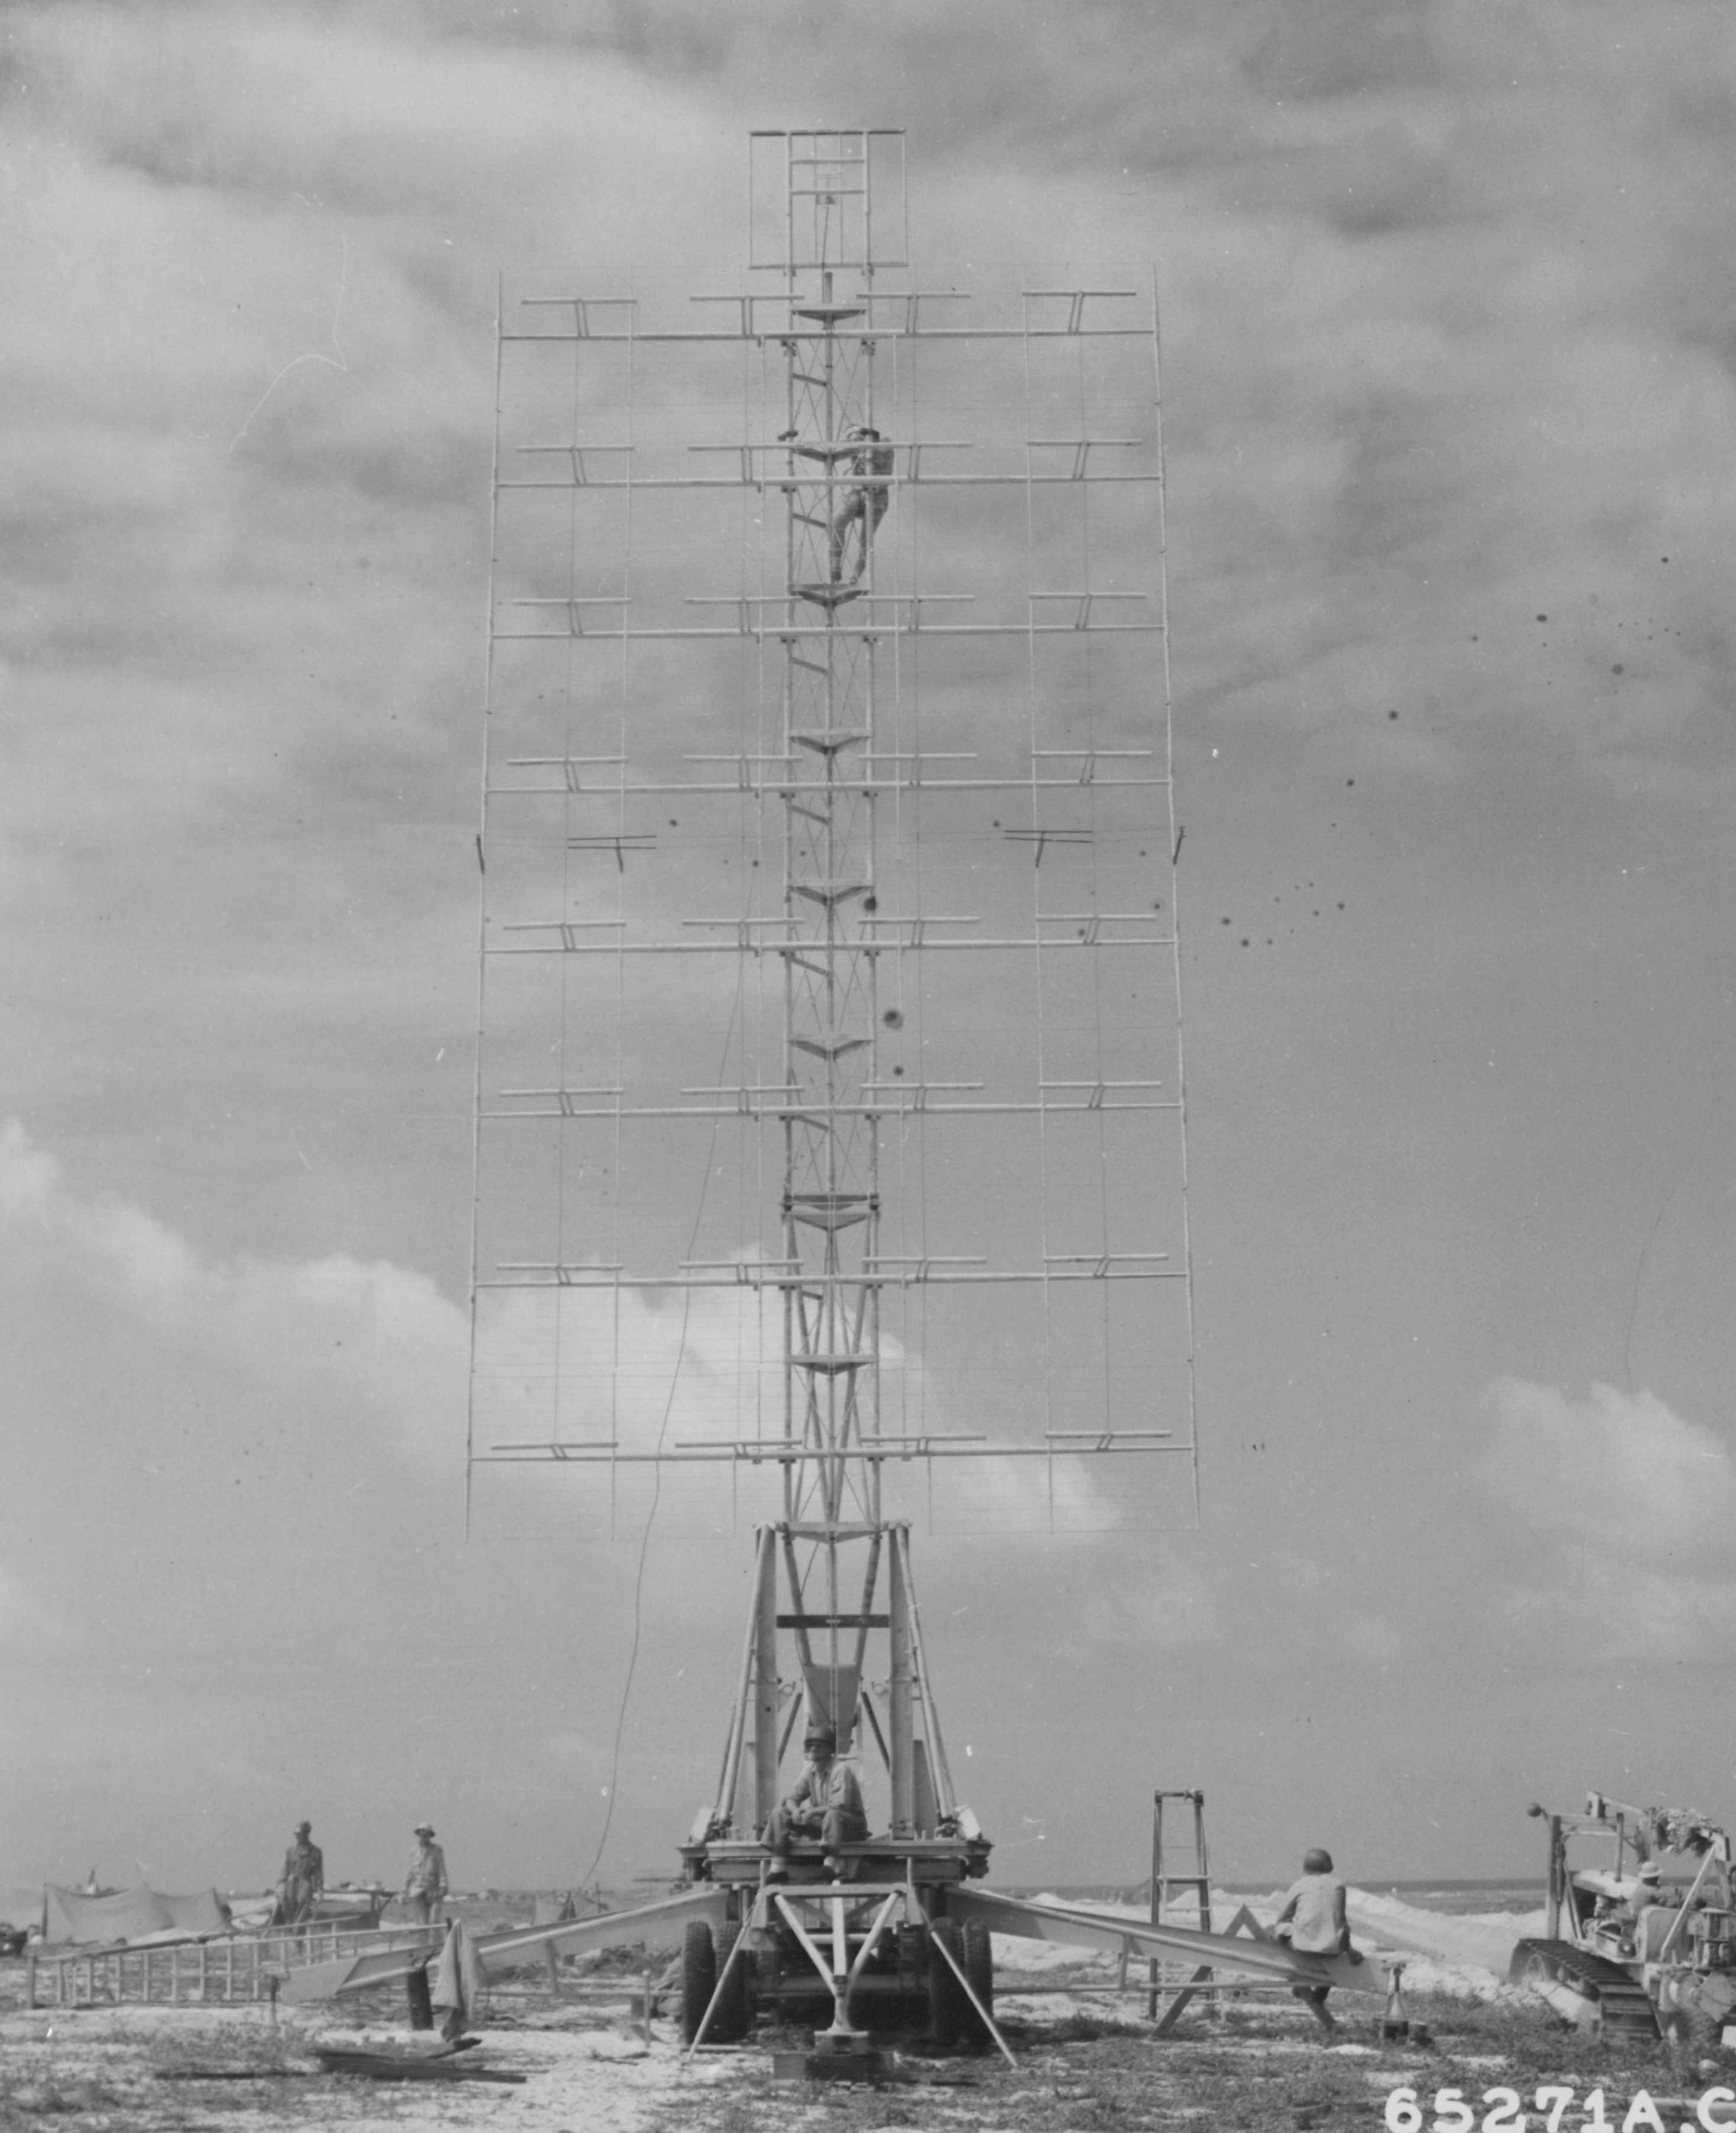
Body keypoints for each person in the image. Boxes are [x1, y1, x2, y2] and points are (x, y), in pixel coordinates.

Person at [764, 1726, 868, 1879]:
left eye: (819, 1746)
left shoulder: (841, 1769)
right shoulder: (809, 1770)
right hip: (825, 1827)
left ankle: (830, 1866)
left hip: (850, 1827)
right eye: (811, 1745)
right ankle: (778, 1868)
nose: (813, 1749)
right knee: (778, 1812)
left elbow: (839, 1805)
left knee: (833, 1814)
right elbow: (792, 1799)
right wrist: (794, 1811)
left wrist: (811, 1812)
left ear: (830, 1750)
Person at [1272, 1846, 1358, 2031]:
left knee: (1279, 1929)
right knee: (1333, 1938)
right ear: (1327, 1865)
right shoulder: (1338, 1886)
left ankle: (1298, 1976)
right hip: (1332, 1950)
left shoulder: (1299, 1885)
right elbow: (1341, 1921)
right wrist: (1350, 1951)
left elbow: (1282, 1918)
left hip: (1303, 1948)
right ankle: (1318, 1991)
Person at [829, 424, 893, 585]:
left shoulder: (883, 445)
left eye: (855, 437)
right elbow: (855, 475)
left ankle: (855, 576)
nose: (854, 442)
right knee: (837, 523)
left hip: (877, 497)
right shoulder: (856, 452)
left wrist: (870, 446)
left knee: (866, 539)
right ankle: (836, 566)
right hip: (858, 493)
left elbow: (886, 455)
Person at [276, 1822, 325, 1925]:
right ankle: (289, 1930)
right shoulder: (290, 1851)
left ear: (305, 1834)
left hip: (305, 1883)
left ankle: (297, 1932)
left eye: (298, 1833)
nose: (296, 1836)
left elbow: (318, 1872)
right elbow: (284, 1869)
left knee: (303, 1905)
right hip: (290, 1882)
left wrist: (320, 1890)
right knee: (287, 1906)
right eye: (295, 1833)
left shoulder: (315, 1852)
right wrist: (280, 1884)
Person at [403, 1823, 449, 1924]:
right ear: (418, 1835)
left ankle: (436, 1940)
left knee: (434, 1921)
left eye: (426, 1835)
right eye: (421, 1835)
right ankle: (422, 1940)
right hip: (418, 1891)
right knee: (421, 1924)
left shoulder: (437, 1851)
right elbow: (410, 1873)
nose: (424, 1837)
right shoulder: (414, 1852)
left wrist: (443, 1886)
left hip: (434, 1891)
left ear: (430, 1836)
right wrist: (405, 1890)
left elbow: (442, 1870)